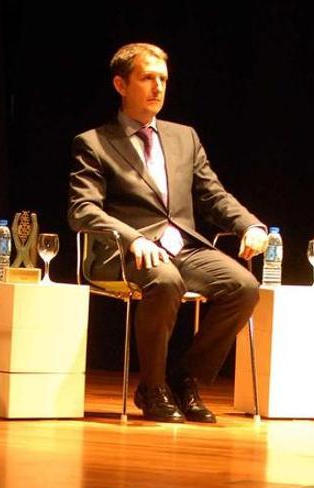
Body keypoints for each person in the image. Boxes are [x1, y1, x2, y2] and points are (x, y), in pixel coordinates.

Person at [68, 43, 268, 423]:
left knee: (243, 287)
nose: (158, 87)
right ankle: (153, 386)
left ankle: (185, 377)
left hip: (182, 246)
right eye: (147, 78)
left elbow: (213, 195)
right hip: (128, 251)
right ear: (120, 84)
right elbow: (83, 209)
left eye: (163, 79)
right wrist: (134, 238)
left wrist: (250, 224)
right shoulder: (94, 142)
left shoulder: (184, 137)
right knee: (165, 281)